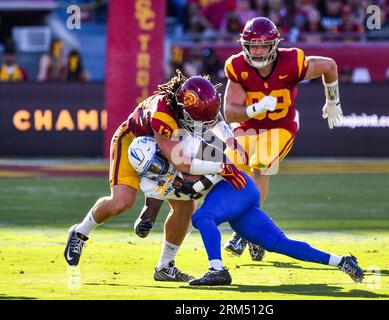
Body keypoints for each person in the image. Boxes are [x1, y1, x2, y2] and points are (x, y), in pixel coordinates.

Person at [63, 72, 245, 282]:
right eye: (197, 120)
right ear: (182, 108)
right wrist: (220, 167)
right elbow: (181, 163)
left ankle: (165, 266)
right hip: (135, 144)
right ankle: (79, 232)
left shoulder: (193, 101)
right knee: (121, 202)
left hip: (166, 145)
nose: (202, 126)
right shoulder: (164, 115)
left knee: (186, 206)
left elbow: (213, 117)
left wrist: (230, 140)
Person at [128, 135, 364, 286]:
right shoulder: (150, 181)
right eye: (151, 168)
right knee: (279, 244)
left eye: (158, 162)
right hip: (236, 203)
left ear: (162, 151)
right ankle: (341, 261)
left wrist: (195, 185)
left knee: (201, 216)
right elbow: (150, 208)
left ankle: (216, 269)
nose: (158, 169)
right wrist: (143, 223)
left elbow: (221, 161)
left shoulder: (185, 147)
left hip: (235, 186)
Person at [222, 16, 343, 261]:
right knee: (230, 173)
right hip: (248, 128)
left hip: (280, 127)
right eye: (252, 45)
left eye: (262, 46)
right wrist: (253, 110)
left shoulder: (292, 61)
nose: (256, 51)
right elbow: (229, 111)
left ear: (274, 45)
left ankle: (246, 233)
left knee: (261, 166)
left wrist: (333, 101)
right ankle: (258, 232)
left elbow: (329, 66)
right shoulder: (237, 66)